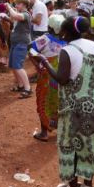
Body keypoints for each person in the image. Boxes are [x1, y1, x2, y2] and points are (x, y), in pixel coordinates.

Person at [31, 16, 94, 187]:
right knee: (91, 145)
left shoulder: (68, 50)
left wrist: (44, 62)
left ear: (66, 32)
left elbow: (62, 79)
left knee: (72, 146)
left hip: (77, 110)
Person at [28, 14, 66, 142]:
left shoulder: (45, 39)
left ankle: (44, 132)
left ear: (50, 27)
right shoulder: (67, 41)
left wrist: (37, 65)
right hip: (61, 77)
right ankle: (60, 129)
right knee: (60, 102)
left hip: (46, 76)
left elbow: (30, 48)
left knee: (43, 101)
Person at [5, 0, 33, 99]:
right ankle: (21, 86)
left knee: (18, 66)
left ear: (24, 5)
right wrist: (10, 11)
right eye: (16, 4)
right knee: (13, 65)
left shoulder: (26, 14)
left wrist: (9, 8)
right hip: (16, 42)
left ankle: (28, 88)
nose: (16, 5)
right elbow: (13, 18)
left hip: (21, 43)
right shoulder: (20, 14)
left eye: (18, 4)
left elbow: (16, 16)